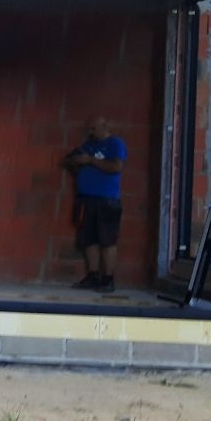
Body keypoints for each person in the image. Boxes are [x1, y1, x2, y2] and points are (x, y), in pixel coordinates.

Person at [64, 115, 127, 293]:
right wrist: (75, 162)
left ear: (105, 126)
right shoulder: (88, 145)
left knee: (107, 240)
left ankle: (108, 278)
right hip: (86, 198)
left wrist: (90, 160)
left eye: (94, 128)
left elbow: (116, 167)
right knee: (89, 239)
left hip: (107, 199)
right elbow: (76, 163)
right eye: (89, 129)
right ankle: (92, 275)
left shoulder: (115, 143)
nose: (91, 132)